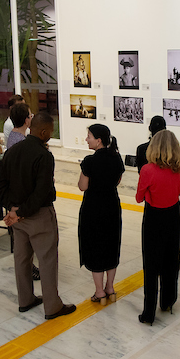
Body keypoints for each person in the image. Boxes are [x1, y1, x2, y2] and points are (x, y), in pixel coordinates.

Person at [0, 112, 75, 320]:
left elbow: (2, 185)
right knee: (47, 260)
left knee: (21, 259)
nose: (51, 134)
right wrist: (21, 213)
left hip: (17, 217)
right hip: (38, 216)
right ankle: (52, 306)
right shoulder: (44, 156)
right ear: (43, 131)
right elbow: (41, 192)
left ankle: (26, 300)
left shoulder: (11, 152)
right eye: (51, 131)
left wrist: (13, 210)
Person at [135, 129, 180, 324]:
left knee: (151, 264)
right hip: (173, 215)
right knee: (171, 259)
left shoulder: (147, 170)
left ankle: (148, 312)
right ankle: (168, 301)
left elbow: (139, 197)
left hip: (153, 217)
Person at [78, 124, 124, 301]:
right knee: (111, 245)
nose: (86, 139)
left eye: (88, 136)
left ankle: (99, 292)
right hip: (112, 206)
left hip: (93, 208)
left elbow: (83, 186)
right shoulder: (117, 158)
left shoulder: (89, 161)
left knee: (95, 246)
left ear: (98, 140)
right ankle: (110, 288)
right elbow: (116, 181)